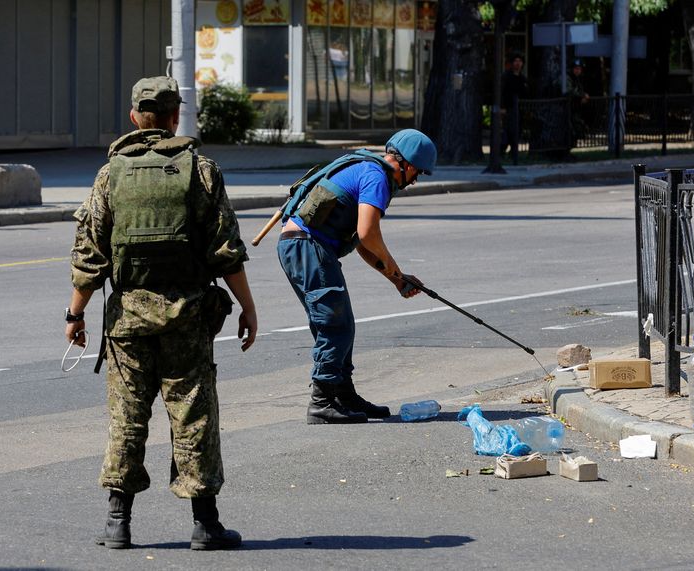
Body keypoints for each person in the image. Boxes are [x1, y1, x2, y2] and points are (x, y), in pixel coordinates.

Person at [64, 76, 258, 550]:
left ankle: (117, 523)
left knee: (127, 417)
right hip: (188, 317)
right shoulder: (202, 170)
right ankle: (205, 523)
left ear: (134, 117)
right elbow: (226, 251)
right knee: (193, 416)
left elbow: (90, 253)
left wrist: (75, 316)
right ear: (175, 118)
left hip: (128, 318)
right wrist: (249, 309)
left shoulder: (110, 174)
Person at [276, 129, 437, 424]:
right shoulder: (377, 177)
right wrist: (397, 271)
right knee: (333, 325)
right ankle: (322, 402)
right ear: (406, 163)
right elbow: (368, 233)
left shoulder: (370, 171)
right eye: (417, 173)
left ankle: (343, 395)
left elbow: (363, 244)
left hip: (306, 247)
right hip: (306, 247)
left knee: (342, 324)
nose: (414, 181)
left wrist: (397, 280)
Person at [501, 52, 529, 163]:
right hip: (509, 108)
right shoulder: (506, 76)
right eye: (515, 61)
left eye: (520, 61)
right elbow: (502, 92)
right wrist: (502, 107)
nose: (518, 63)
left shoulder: (523, 78)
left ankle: (513, 153)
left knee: (517, 131)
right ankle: (501, 152)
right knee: (508, 131)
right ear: (512, 63)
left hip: (520, 109)